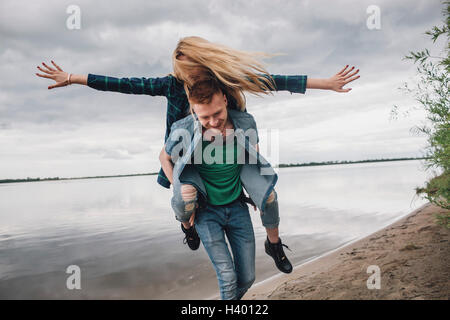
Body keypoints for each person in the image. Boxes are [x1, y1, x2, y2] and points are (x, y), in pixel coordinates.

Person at [35, 36, 360, 270]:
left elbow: (272, 80)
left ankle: (274, 245)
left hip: (231, 155)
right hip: (189, 159)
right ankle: (188, 227)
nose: (191, 79)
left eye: (194, 72)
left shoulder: (222, 82)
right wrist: (73, 78)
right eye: (186, 74)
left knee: (268, 195)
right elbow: (123, 83)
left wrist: (325, 83)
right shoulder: (170, 85)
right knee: (186, 201)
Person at [160, 77, 287, 299]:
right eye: (204, 117)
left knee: (247, 278)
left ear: (226, 100)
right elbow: (164, 157)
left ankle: (274, 245)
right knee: (227, 277)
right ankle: (186, 226)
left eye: (217, 113)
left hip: (237, 208)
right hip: (206, 212)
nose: (213, 121)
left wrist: (255, 190)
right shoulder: (183, 128)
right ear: (193, 111)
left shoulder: (245, 121)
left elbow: (254, 156)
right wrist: (177, 188)